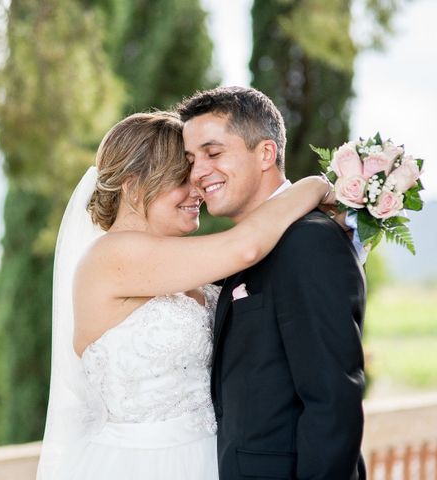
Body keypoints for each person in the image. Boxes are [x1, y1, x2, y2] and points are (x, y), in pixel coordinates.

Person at [37, 110, 336, 480]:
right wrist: (317, 187)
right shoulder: (110, 256)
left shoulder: (176, 261)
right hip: (143, 466)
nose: (198, 189)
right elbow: (244, 248)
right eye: (182, 178)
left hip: (214, 457)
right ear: (132, 186)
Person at [178, 86, 367, 480]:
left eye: (213, 154)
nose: (197, 173)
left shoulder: (308, 240)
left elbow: (332, 402)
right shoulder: (246, 246)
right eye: (191, 159)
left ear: (265, 153)